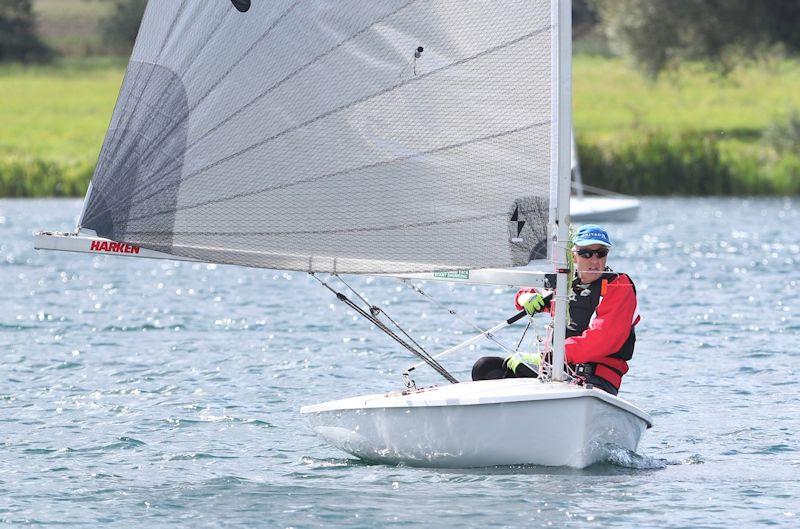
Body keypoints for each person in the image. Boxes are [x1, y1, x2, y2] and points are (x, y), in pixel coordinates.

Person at [472, 224, 640, 395]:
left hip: (595, 380)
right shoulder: (565, 283)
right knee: (485, 367)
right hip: (556, 369)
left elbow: (603, 340)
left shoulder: (618, 286)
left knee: (521, 367)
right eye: (586, 253)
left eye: (601, 253)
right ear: (574, 256)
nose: (595, 260)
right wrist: (525, 297)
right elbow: (534, 292)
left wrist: (551, 356)